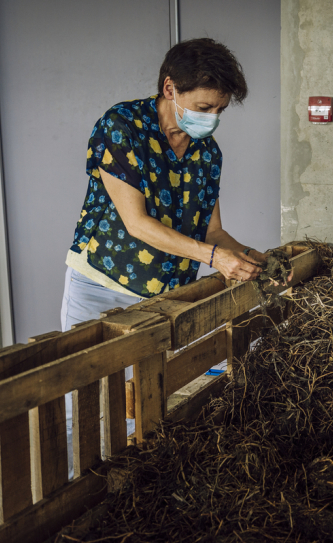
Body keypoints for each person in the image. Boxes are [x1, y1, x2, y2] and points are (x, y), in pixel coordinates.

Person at [60, 38, 272, 476]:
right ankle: (71, 497)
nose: (211, 119)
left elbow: (212, 230)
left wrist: (254, 259)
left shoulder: (206, 154)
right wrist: (216, 257)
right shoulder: (122, 127)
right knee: (83, 407)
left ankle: (130, 487)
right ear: (170, 87)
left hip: (163, 299)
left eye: (220, 111)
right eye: (204, 106)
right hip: (101, 286)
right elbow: (136, 224)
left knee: (141, 405)